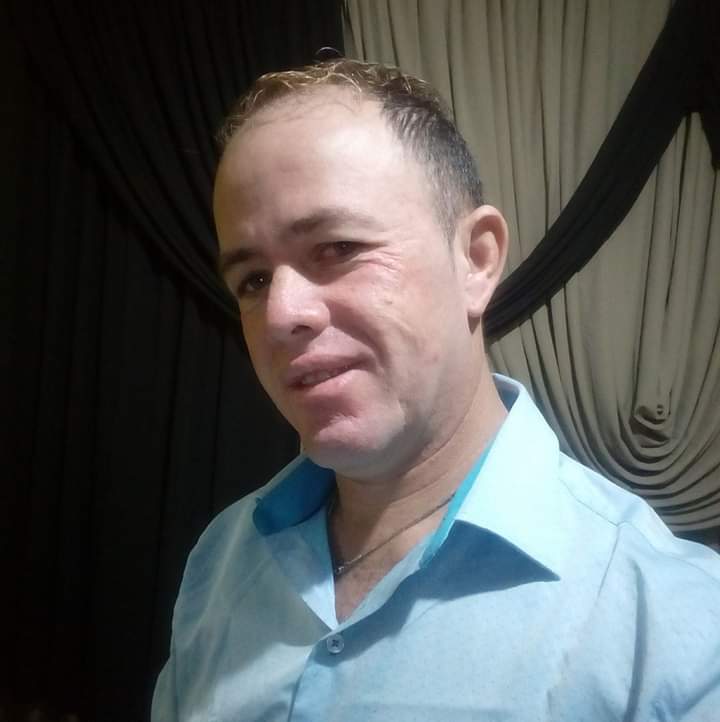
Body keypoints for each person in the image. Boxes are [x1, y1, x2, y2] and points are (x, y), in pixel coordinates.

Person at [152, 59, 720, 722]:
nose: (280, 315)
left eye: (337, 248)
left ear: (476, 259)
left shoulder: (677, 628)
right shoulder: (222, 560)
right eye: (252, 280)